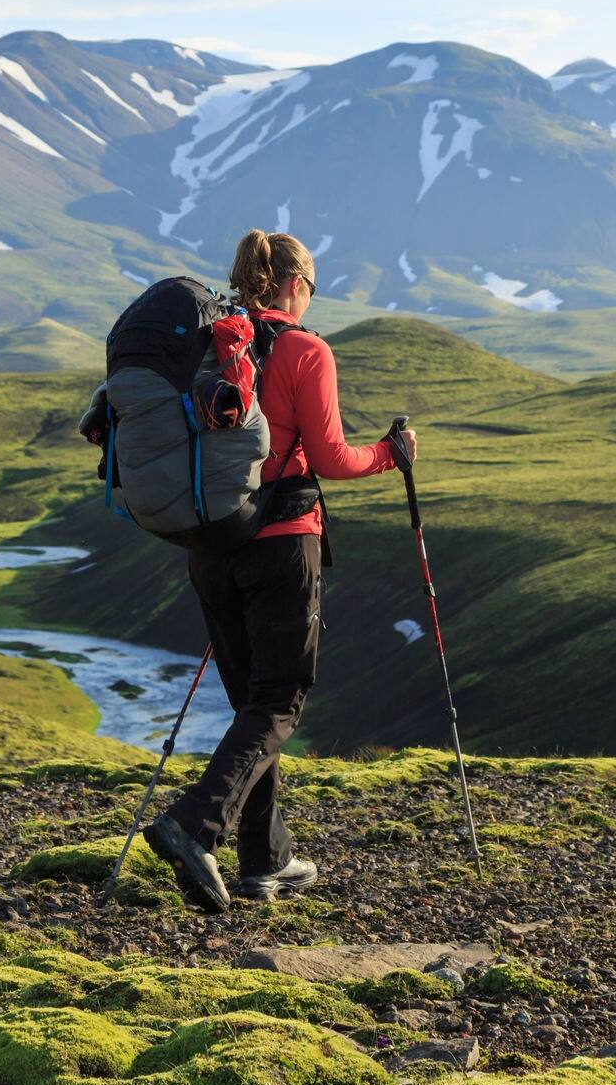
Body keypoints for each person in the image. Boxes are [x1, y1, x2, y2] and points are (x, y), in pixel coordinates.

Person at [145, 229, 417, 913]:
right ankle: (194, 824)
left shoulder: (207, 348)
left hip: (210, 547)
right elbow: (329, 457)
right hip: (282, 543)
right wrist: (390, 454)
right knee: (281, 699)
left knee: (251, 705)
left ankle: (266, 861)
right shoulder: (304, 350)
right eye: (314, 287)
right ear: (295, 285)